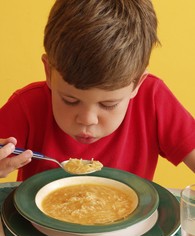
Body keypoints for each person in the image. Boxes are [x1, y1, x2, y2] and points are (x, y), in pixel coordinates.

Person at [0, 0, 194, 181]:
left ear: (137, 83)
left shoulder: (152, 99)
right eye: (70, 100)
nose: (87, 120)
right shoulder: (27, 106)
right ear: (48, 72)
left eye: (108, 104)